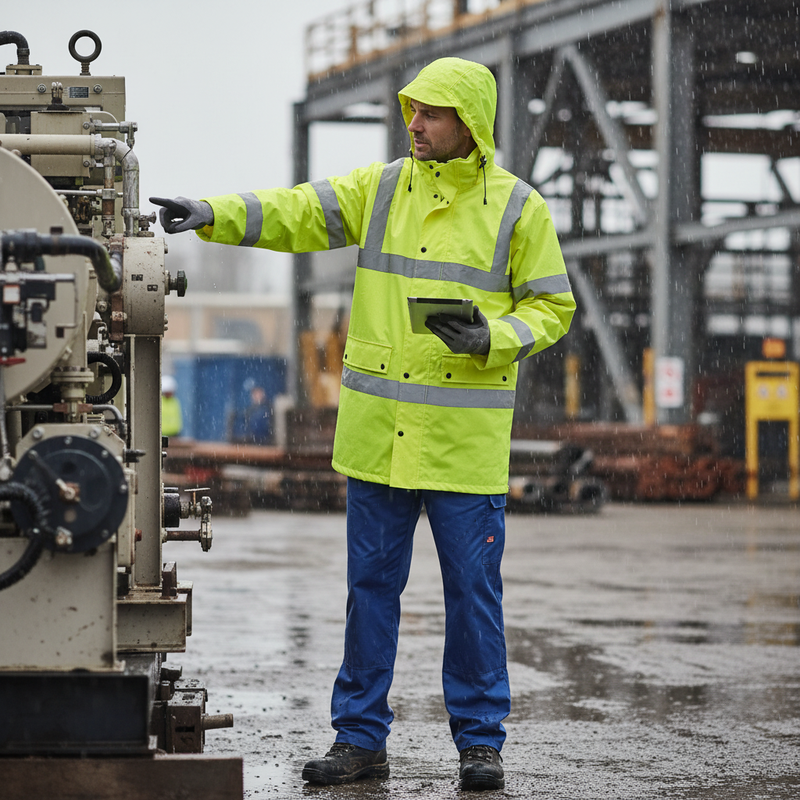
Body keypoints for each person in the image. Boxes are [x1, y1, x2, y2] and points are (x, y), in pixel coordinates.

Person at [150, 57, 575, 791]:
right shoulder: (381, 190)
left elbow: (552, 307)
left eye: (432, 113)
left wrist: (494, 337)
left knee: (473, 599)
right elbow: (296, 211)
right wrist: (214, 214)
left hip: (461, 451)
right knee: (368, 594)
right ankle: (358, 741)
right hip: (379, 442)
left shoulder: (517, 209)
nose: (415, 124)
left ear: (469, 123)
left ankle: (480, 744)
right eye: (412, 111)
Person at [160, 374, 183, 438]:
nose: (170, 393)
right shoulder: (159, 402)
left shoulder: (175, 401)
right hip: (162, 434)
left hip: (175, 434)